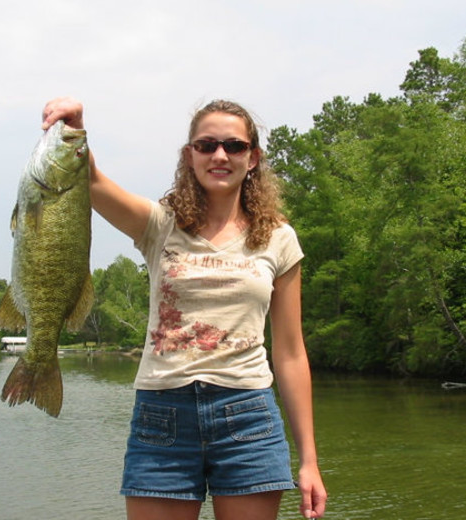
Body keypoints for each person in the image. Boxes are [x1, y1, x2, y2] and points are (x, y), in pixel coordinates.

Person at [41, 96, 327, 520]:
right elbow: (92, 182)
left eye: (234, 146)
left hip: (248, 417)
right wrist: (74, 131)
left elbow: (289, 352)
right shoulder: (159, 224)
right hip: (162, 414)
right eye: (206, 144)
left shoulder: (279, 238)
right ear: (189, 155)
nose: (219, 155)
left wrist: (309, 460)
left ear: (253, 158)